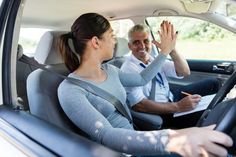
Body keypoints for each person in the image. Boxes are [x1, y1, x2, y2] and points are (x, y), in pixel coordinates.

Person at [57, 13, 232, 157]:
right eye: (112, 36)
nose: (116, 41)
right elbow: (106, 135)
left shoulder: (110, 70)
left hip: (135, 137)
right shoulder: (70, 90)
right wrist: (173, 138)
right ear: (96, 42)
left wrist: (165, 51)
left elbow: (142, 79)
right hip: (120, 151)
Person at [121, 24, 221, 128]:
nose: (142, 46)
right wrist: (178, 107)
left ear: (151, 43)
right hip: (160, 111)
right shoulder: (128, 69)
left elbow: (184, 72)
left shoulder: (153, 59)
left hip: (171, 97)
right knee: (209, 114)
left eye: (146, 41)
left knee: (214, 84)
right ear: (130, 46)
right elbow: (139, 105)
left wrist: (171, 50)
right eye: (136, 42)